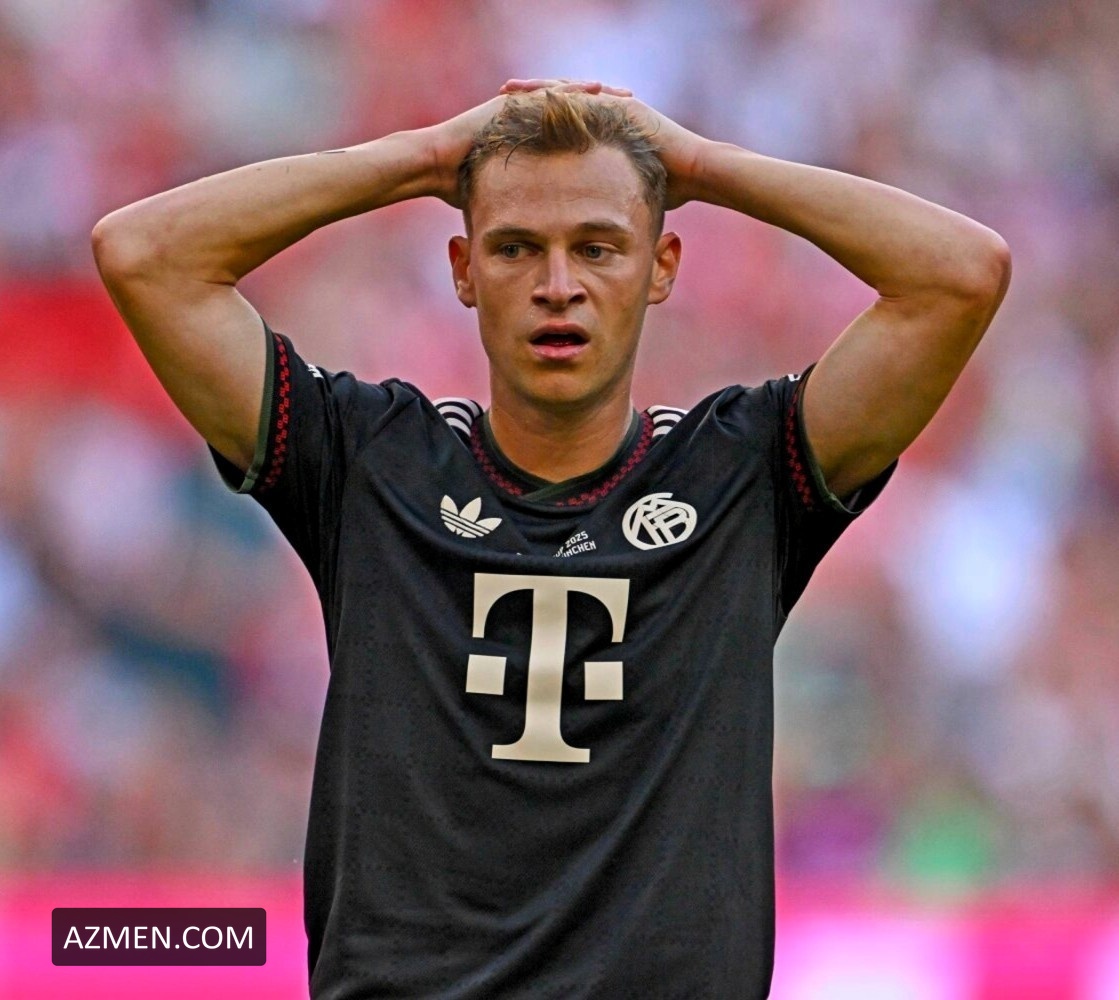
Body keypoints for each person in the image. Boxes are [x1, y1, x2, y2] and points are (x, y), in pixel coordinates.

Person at [91, 78, 1010, 998]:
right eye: (516, 248)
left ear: (661, 266)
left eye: (598, 248)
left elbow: (959, 276)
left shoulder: (741, 476)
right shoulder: (371, 465)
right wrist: (421, 158)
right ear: (462, 270)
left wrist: (699, 165)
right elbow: (144, 256)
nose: (558, 286)